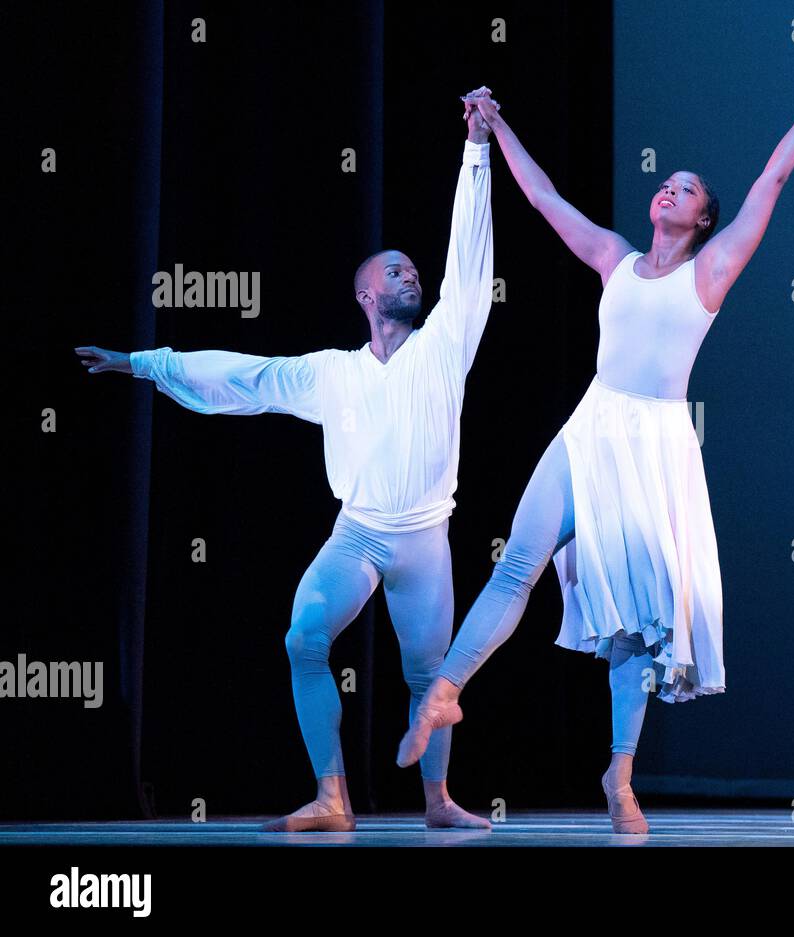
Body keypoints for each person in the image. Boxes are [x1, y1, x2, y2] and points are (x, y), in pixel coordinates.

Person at [396, 73, 794, 833]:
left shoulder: (710, 270)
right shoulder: (615, 256)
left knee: (636, 627)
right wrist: (492, 124)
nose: (669, 190)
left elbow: (771, 180)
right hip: (591, 426)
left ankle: (619, 775)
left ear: (704, 217)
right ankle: (446, 688)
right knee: (517, 562)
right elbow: (546, 200)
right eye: (667, 183)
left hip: (654, 446)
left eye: (685, 190)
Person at [75, 88, 501, 833]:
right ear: (366, 295)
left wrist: (477, 148)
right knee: (303, 636)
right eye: (395, 272)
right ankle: (332, 796)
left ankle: (437, 799)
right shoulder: (331, 372)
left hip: (426, 540)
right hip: (358, 534)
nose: (412, 277)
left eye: (413, 271)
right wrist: (143, 362)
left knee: (427, 677)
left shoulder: (444, 346)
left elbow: (468, 257)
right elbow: (243, 375)